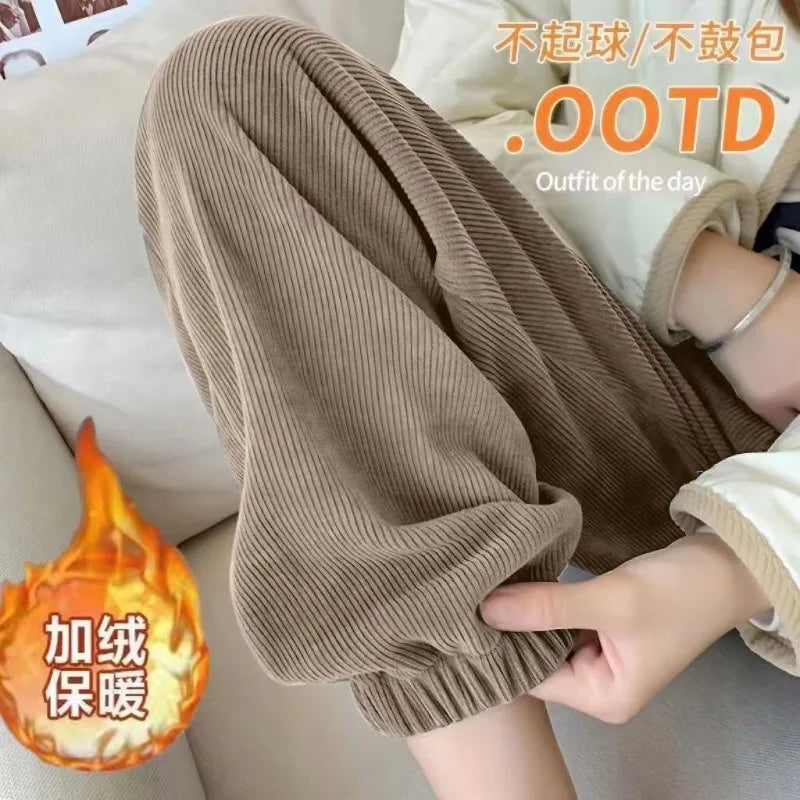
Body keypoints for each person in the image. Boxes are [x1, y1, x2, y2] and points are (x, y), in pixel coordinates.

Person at [134, 3, 798, 798]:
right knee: (235, 83)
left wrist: (735, 562)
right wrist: (712, 279)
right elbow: (432, 136)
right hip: (632, 370)